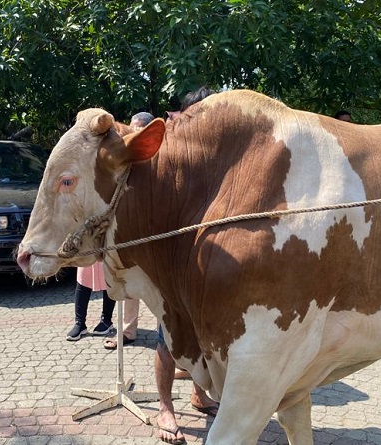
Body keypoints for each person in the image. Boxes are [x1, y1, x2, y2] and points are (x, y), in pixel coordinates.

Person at [156, 86, 220, 445]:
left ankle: (200, 394)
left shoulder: (217, 153)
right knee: (169, 336)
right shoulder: (170, 152)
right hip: (173, 263)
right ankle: (165, 407)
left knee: (202, 337)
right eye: (201, 113)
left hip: (206, 261)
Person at [103, 111, 156, 350]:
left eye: (136, 129)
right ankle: (127, 331)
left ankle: (167, 337)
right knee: (128, 283)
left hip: (153, 232)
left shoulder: (156, 157)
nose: (131, 134)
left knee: (159, 287)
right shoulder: (124, 159)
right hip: (129, 232)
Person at [67, 262, 116, 341]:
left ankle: (106, 320)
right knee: (83, 279)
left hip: (105, 252)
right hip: (87, 252)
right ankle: (79, 323)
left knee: (108, 278)